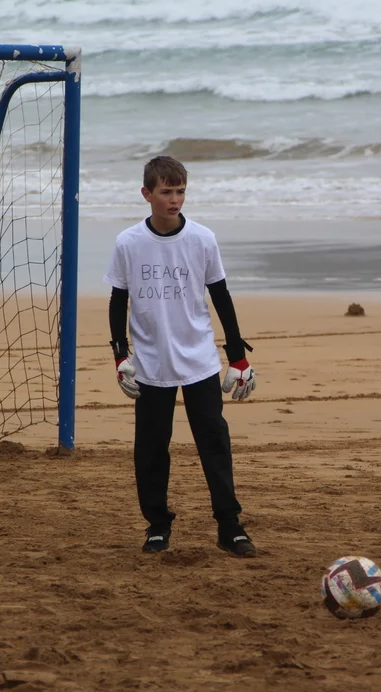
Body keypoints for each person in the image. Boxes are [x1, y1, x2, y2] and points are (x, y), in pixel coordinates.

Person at [103, 156, 258, 558]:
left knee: (214, 443)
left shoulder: (202, 239)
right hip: (150, 363)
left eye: (181, 191)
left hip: (199, 360)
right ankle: (157, 526)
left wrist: (237, 356)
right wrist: (120, 355)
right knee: (151, 448)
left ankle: (230, 526)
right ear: (147, 194)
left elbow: (220, 296)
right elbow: (118, 299)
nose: (175, 199)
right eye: (166, 192)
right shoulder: (128, 243)